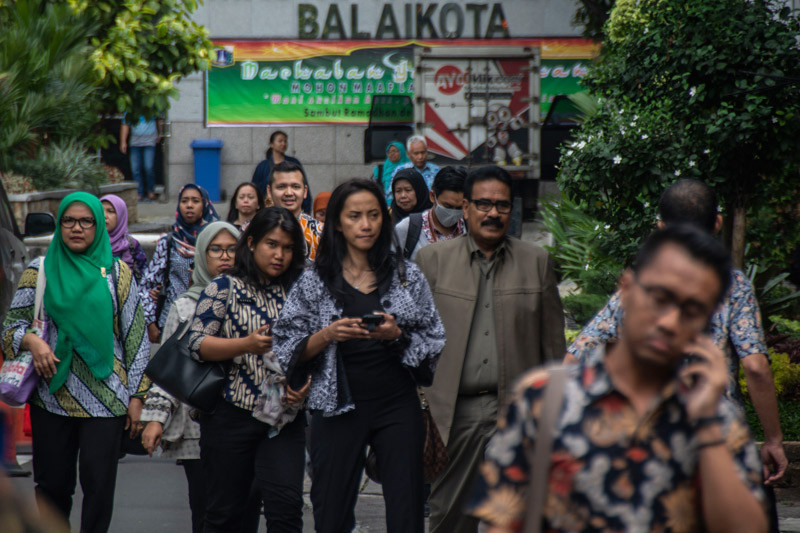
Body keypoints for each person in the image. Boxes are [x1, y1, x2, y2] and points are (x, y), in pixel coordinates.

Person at [469, 224, 768, 533]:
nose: (669, 322)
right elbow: (501, 523)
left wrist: (706, 426)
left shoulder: (718, 418)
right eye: (660, 297)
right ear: (626, 289)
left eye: (691, 310)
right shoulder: (543, 399)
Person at [564, 179, 788, 485]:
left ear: (661, 228)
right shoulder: (733, 285)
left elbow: (573, 361)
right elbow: (756, 366)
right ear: (718, 223)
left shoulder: (638, 288)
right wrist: (773, 439)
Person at [273, 179, 445, 533]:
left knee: (407, 508)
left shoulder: (406, 274)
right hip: (335, 406)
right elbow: (286, 342)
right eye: (355, 216)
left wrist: (397, 335)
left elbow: (433, 337)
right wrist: (327, 335)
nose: (366, 225)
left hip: (397, 403)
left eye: (373, 215)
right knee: (331, 509)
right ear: (337, 222)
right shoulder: (314, 279)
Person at [415, 165, 566, 533]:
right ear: (465, 208)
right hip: (454, 415)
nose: (493, 213)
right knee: (449, 518)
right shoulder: (432, 262)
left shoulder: (536, 262)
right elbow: (414, 342)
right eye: (483, 204)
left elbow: (554, 351)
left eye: (502, 205)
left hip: (516, 415)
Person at [1, 192, 150, 533]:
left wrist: (137, 398)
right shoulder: (40, 270)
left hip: (107, 400)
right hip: (51, 397)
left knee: (99, 489)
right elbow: (10, 328)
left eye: (87, 221)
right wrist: (32, 341)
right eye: (69, 220)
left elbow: (136, 340)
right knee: (52, 487)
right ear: (60, 225)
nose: (77, 228)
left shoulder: (117, 273)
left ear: (98, 226)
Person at [189, 207, 310, 533]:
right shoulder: (223, 287)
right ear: (252, 242)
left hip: (283, 418)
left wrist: (305, 386)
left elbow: (314, 349)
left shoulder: (300, 289)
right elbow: (197, 344)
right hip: (231, 416)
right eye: (272, 244)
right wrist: (245, 344)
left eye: (287, 248)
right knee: (225, 514)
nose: (280, 255)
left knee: (286, 510)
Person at [140, 221, 241, 533]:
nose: (225, 256)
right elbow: (170, 370)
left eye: (232, 249)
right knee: (206, 509)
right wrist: (155, 418)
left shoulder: (253, 299)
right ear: (201, 255)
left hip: (243, 420)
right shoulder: (185, 305)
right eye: (216, 249)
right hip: (196, 427)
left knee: (242, 506)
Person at [140, 184, 219, 343]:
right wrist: (150, 323)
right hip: (172, 322)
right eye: (184, 201)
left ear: (205, 204)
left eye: (195, 201)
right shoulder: (168, 242)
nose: (189, 205)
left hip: (209, 320)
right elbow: (146, 285)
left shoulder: (216, 241)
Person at [394, 166, 467, 260]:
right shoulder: (407, 229)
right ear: (432, 196)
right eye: (447, 206)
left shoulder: (471, 229)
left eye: (459, 208)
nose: (453, 212)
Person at [267, 161, 323, 261]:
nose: (289, 193)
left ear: (305, 191)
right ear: (269, 192)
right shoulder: (252, 229)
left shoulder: (321, 232)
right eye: (281, 187)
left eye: (295, 187)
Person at [251, 130, 312, 214]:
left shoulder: (294, 163)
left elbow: (303, 185)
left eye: (285, 141)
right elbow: (255, 190)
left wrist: (306, 210)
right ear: (271, 144)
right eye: (280, 141)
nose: (283, 144)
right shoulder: (262, 166)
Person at [99, 194, 147, 283]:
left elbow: (144, 276)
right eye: (100, 211)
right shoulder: (90, 243)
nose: (104, 216)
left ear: (121, 215)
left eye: (110, 211)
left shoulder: (131, 244)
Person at [120, 115, 160, 202]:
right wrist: (123, 142)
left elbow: (158, 120)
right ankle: (139, 193)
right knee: (135, 169)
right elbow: (125, 124)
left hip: (149, 142)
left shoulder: (152, 108)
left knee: (148, 167)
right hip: (135, 143)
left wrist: (160, 133)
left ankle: (150, 191)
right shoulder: (132, 109)